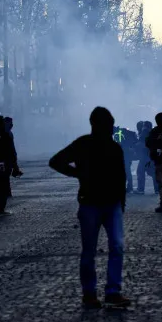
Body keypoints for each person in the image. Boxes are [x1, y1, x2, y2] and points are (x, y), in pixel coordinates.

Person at [49, 106, 131, 309]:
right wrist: (121, 202)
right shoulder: (105, 147)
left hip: (97, 203)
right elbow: (122, 178)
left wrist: (76, 173)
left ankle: (98, 293)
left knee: (94, 251)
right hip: (100, 204)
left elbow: (56, 161)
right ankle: (103, 292)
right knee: (111, 248)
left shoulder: (86, 145)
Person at [113, 125, 138, 193]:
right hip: (128, 154)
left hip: (124, 155)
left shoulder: (117, 134)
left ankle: (126, 187)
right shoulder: (123, 130)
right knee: (127, 171)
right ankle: (129, 187)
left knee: (124, 171)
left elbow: (119, 145)